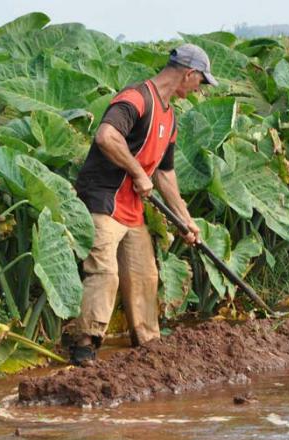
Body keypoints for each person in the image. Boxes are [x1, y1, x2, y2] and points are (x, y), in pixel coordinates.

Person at [64, 44, 218, 364]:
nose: (199, 89)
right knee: (105, 271)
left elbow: (165, 174)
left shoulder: (170, 117)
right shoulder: (135, 99)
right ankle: (85, 346)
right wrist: (136, 171)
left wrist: (185, 219)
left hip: (132, 207)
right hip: (103, 198)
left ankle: (148, 348)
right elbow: (107, 136)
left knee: (144, 275)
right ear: (189, 74)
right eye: (201, 82)